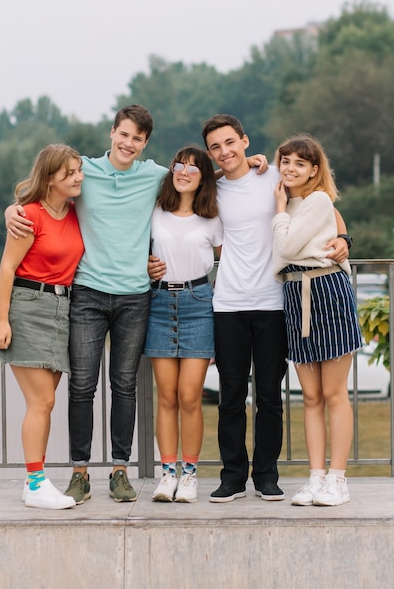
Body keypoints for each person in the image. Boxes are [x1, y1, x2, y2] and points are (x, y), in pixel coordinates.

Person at [5, 105, 266, 504]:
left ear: (146, 144)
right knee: (82, 386)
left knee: (124, 386)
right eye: (123, 135)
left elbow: (193, 177)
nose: (129, 143)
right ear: (112, 133)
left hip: (135, 296)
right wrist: (13, 209)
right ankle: (79, 473)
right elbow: (47, 187)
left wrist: (250, 162)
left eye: (138, 139)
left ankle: (120, 471)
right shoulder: (84, 171)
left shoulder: (154, 175)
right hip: (88, 294)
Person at [200, 115, 349, 503]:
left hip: (273, 301)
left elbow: (324, 208)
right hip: (229, 302)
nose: (225, 151)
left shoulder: (275, 178)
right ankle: (232, 476)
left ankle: (267, 475)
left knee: (270, 397)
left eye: (230, 142)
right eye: (216, 146)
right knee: (231, 395)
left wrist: (345, 237)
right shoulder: (211, 187)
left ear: (245, 141)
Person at [0, 144, 84, 510]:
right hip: (28, 308)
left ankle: (37, 480)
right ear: (50, 179)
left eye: (78, 170)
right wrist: (1, 320)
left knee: (46, 402)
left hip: (63, 308)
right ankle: (34, 483)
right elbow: (6, 269)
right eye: (70, 173)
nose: (78, 178)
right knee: (41, 401)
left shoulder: (76, 211)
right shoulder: (28, 217)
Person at [272, 133, 361, 507]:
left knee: (333, 393)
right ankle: (315, 478)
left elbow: (288, 247)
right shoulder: (285, 199)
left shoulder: (318, 199)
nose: (291, 169)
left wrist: (279, 212)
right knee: (309, 396)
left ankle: (337, 480)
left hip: (326, 292)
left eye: (300, 163)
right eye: (285, 161)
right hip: (295, 294)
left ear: (313, 170)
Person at [146, 146, 223, 504]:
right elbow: (135, 249)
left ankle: (189, 474)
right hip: (159, 303)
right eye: (178, 165)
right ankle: (167, 473)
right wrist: (144, 266)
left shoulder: (212, 218)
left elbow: (230, 260)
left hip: (198, 304)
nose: (183, 171)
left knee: (190, 396)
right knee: (166, 396)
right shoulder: (155, 211)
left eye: (193, 168)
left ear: (204, 176)